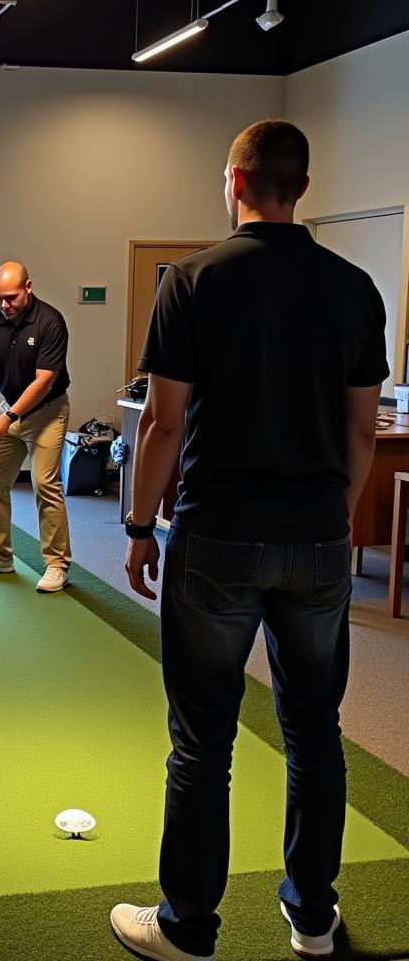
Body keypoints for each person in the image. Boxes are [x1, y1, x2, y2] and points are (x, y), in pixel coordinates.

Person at [113, 120, 387, 961]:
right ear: (299, 187)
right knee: (315, 731)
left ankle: (188, 927)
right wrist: (335, 516)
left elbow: (163, 421)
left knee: (203, 739)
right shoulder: (355, 286)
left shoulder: (192, 279)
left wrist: (136, 523)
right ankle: (312, 919)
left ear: (234, 180)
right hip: (315, 540)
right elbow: (362, 431)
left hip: (216, 535)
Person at [0, 261, 72, 593]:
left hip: (48, 412)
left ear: (28, 287)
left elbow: (43, 383)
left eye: (10, 297)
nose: (4, 305)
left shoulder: (50, 322)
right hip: (8, 411)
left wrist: (6, 419)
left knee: (44, 483)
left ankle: (57, 565)